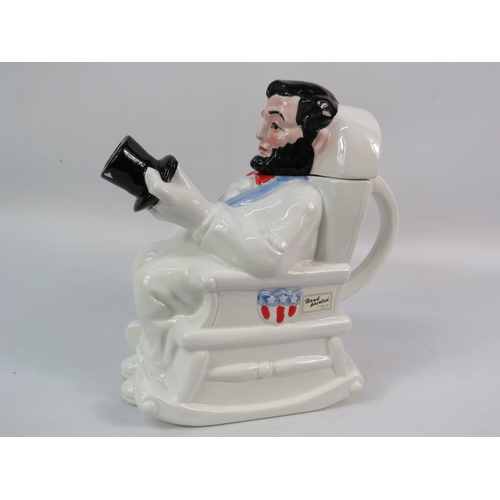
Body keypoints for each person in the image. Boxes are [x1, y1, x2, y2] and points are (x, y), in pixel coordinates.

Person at [125, 80, 339, 381]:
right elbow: (223, 219)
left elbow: (271, 259)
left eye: (275, 126)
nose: (260, 134)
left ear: (316, 140)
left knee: (152, 280)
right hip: (225, 259)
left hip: (250, 282)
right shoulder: (250, 184)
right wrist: (182, 206)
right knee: (148, 257)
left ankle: (163, 369)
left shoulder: (302, 198)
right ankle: (157, 349)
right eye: (264, 122)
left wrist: (199, 216)